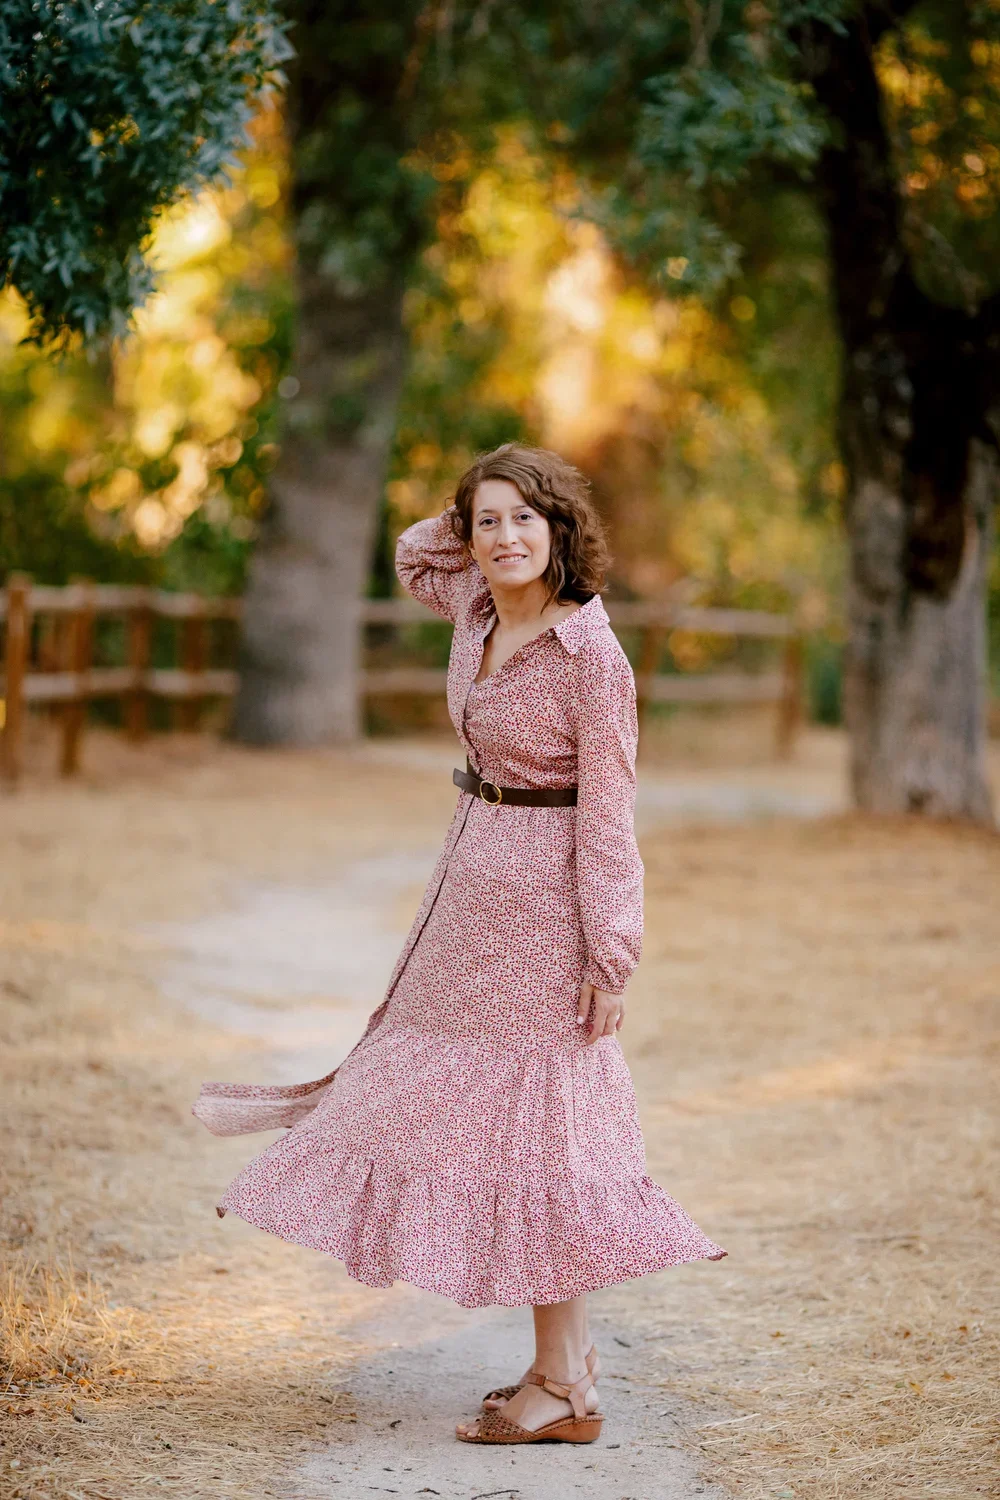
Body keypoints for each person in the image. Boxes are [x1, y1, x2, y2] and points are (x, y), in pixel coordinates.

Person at [193, 442, 726, 1446]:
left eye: (527, 519)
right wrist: (476, 518)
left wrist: (609, 955)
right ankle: (561, 1370)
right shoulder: (474, 608)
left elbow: (610, 816)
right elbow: (413, 554)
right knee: (428, 1092)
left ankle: (563, 1383)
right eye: (486, 522)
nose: (504, 538)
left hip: (544, 921)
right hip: (465, 897)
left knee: (542, 1136)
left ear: (561, 529)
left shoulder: (589, 657)